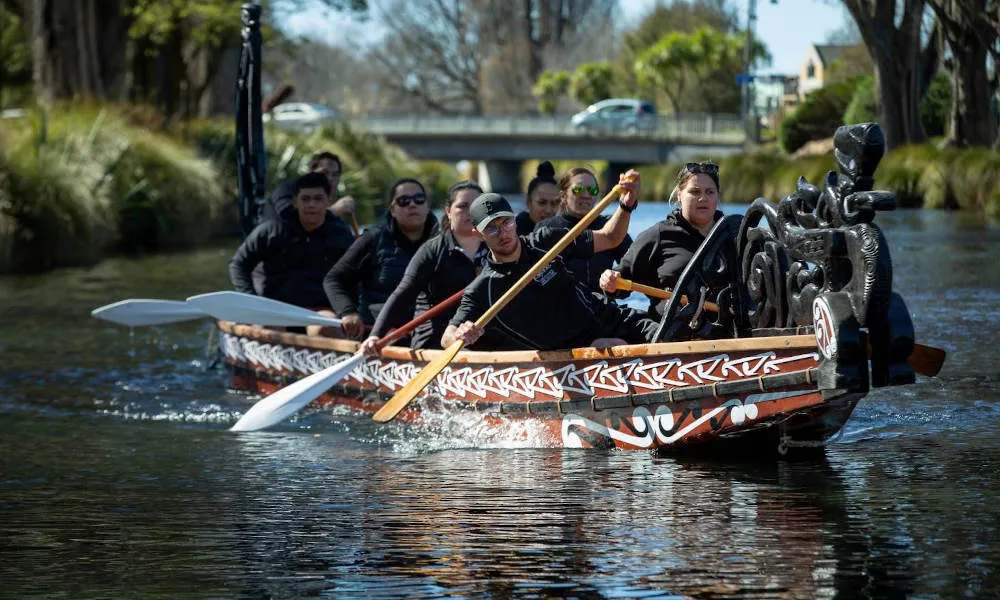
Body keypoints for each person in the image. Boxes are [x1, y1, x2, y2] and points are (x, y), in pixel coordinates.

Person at [443, 174, 660, 351]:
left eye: (506, 222)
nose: (503, 233)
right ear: (478, 234)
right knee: (616, 347)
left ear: (515, 220)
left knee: (670, 333)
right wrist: (461, 335)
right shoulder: (483, 288)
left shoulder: (546, 241)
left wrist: (626, 205)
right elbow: (447, 338)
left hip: (613, 319)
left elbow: (611, 237)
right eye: (492, 228)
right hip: (578, 352)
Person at [358, 181, 488, 354]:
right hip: (434, 342)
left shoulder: (497, 248)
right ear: (448, 211)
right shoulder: (432, 250)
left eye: (476, 206)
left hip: (482, 338)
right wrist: (375, 335)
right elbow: (402, 296)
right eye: (462, 206)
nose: (470, 212)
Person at [598, 161, 724, 318]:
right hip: (673, 334)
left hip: (732, 332)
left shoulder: (734, 233)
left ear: (717, 196)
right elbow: (621, 279)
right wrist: (610, 280)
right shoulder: (659, 234)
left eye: (710, 192)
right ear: (679, 195)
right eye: (695, 192)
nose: (703, 198)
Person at [324, 178, 438, 337]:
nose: (412, 204)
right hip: (377, 334)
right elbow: (333, 279)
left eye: (419, 199)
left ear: (427, 206)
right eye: (403, 200)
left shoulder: (444, 242)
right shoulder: (373, 239)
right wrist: (348, 312)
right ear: (392, 210)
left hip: (429, 332)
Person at [229, 172, 355, 310]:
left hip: (320, 310)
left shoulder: (342, 235)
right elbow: (238, 264)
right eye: (305, 199)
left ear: (328, 201)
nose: (311, 204)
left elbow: (357, 276)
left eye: (318, 199)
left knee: (324, 330)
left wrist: (350, 310)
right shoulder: (271, 231)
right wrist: (250, 300)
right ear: (295, 202)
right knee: (270, 328)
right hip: (273, 307)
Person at [534, 165, 632, 291]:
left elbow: (632, 266)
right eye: (578, 189)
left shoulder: (611, 227)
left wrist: (616, 278)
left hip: (602, 306)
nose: (586, 195)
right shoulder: (546, 229)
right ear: (563, 196)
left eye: (592, 190)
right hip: (560, 305)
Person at [260, 150, 356, 224]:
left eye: (335, 175)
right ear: (311, 171)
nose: (330, 178)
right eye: (325, 172)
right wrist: (334, 211)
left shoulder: (329, 202)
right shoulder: (288, 188)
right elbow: (287, 215)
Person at [515, 161, 559, 235]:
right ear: (529, 203)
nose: (548, 210)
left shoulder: (564, 230)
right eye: (542, 203)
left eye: (554, 203)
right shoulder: (512, 233)